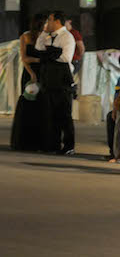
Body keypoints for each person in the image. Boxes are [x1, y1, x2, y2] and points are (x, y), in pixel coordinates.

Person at [35, 11, 76, 155]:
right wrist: (44, 36)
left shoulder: (67, 37)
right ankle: (53, 144)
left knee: (64, 113)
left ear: (58, 21)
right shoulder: (47, 36)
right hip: (48, 77)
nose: (48, 23)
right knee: (50, 113)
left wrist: (49, 55)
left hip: (62, 79)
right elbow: (38, 50)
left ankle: (69, 145)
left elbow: (65, 57)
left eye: (50, 20)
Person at [10, 13, 46, 152]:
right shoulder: (25, 36)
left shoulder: (45, 37)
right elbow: (24, 58)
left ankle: (39, 141)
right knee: (27, 103)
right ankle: (23, 141)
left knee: (40, 107)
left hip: (42, 72)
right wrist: (32, 72)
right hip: (29, 73)